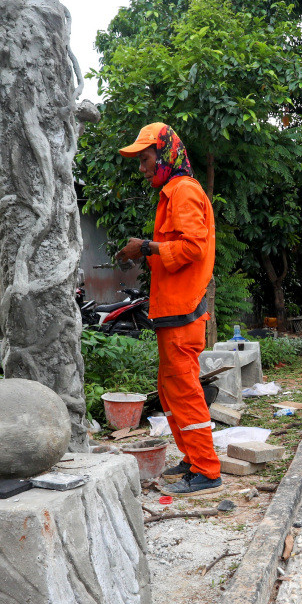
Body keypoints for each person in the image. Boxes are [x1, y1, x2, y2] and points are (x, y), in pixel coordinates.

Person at [116, 122, 221, 495]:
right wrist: (146, 250)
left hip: (182, 312)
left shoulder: (184, 191)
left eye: (145, 158)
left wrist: (144, 247)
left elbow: (192, 248)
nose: (142, 167)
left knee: (184, 390)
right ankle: (194, 459)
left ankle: (207, 471)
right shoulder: (173, 192)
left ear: (166, 153)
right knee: (172, 390)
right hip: (172, 312)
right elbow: (178, 251)